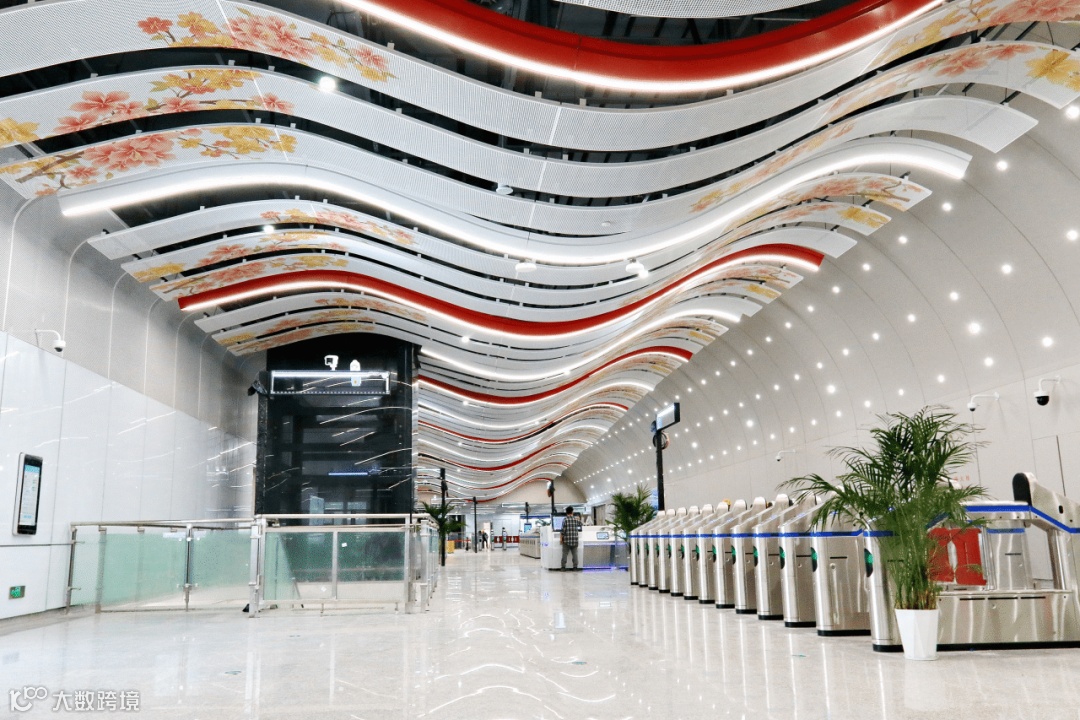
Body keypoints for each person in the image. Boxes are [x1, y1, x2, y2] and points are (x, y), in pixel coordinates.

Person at [560, 506, 583, 571]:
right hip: (575, 540)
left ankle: (563, 567)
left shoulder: (565, 520)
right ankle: (575, 567)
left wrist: (561, 539)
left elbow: (563, 531)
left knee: (565, 554)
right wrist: (579, 518)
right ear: (572, 512)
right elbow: (581, 524)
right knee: (575, 554)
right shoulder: (575, 519)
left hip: (567, 540)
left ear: (566, 512)